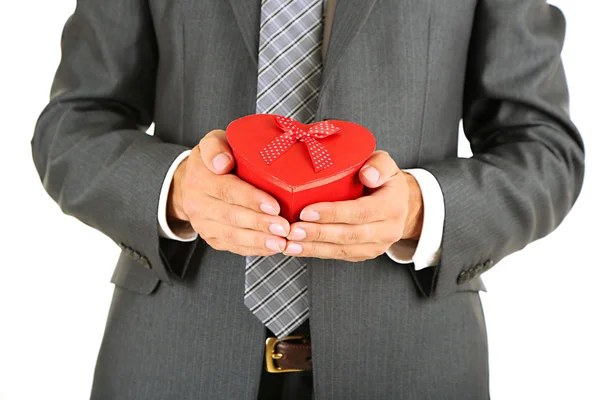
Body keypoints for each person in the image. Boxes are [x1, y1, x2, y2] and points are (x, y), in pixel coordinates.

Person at [31, 0, 584, 398]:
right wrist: (174, 189)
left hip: (412, 362)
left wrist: (420, 209)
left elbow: (544, 152)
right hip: (171, 359)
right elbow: (72, 127)